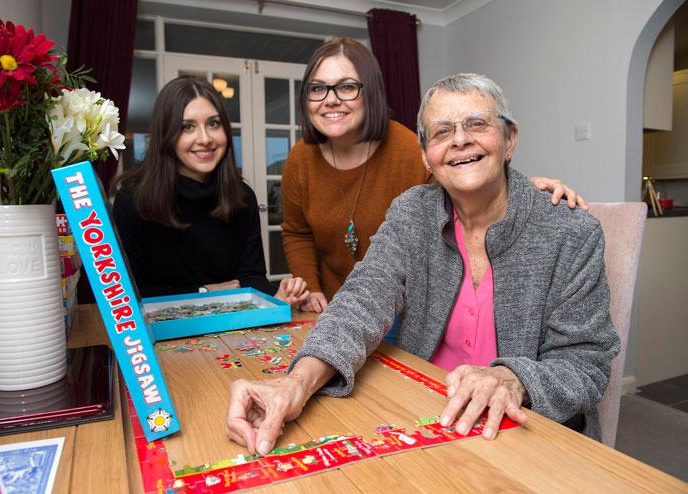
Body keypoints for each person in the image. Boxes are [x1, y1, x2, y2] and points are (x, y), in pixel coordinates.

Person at [226, 73, 619, 456]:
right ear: (426, 157)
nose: (460, 140)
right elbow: (363, 298)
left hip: (530, 437)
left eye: (477, 124)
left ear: (509, 139)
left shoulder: (570, 232)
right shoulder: (413, 211)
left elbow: (586, 362)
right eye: (442, 132)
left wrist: (513, 379)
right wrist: (295, 384)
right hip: (426, 416)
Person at [282, 37, 587, 314]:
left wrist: (523, 192)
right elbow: (297, 232)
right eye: (317, 88)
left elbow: (463, 196)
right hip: (329, 310)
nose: (331, 99)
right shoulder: (299, 158)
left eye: (347, 87)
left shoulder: (411, 150)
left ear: (370, 92)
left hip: (407, 313)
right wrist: (311, 287)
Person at [112, 76, 308, 304]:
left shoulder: (242, 197)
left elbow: (251, 279)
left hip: (235, 331)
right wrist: (204, 292)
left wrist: (278, 295)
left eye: (213, 124)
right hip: (160, 333)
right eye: (187, 127)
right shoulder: (132, 201)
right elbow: (129, 296)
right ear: (166, 135)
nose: (205, 139)